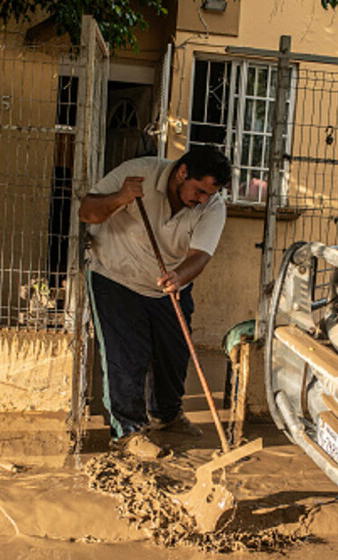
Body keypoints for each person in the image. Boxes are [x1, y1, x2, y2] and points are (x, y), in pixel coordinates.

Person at [79, 146, 232, 459]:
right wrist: (120, 198)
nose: (203, 199)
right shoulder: (139, 173)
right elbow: (87, 212)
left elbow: (201, 254)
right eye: (199, 190)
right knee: (125, 358)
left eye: (210, 193)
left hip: (169, 284)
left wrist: (179, 276)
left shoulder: (213, 206)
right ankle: (129, 433)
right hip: (115, 277)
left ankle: (167, 417)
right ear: (181, 172)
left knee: (173, 355)